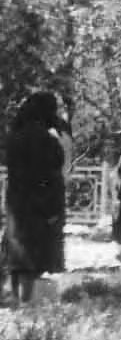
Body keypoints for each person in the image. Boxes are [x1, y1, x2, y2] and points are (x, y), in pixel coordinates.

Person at [3, 92, 67, 306]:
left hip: (16, 204)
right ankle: (27, 301)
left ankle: (14, 298)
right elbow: (51, 177)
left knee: (17, 256)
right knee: (34, 257)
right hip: (39, 206)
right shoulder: (47, 140)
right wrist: (53, 209)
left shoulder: (14, 137)